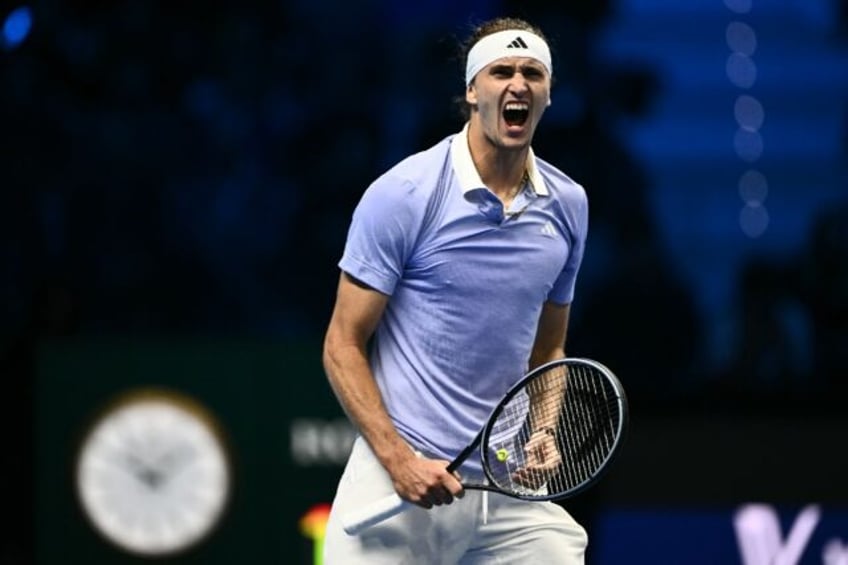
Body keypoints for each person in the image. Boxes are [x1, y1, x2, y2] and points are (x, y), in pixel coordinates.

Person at [322, 16, 590, 564]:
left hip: (507, 486)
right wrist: (398, 461)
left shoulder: (568, 206)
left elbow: (549, 348)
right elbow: (342, 344)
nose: (518, 84)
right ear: (473, 91)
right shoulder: (404, 194)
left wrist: (543, 429)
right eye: (501, 72)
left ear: (547, 96)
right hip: (400, 475)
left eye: (532, 74)